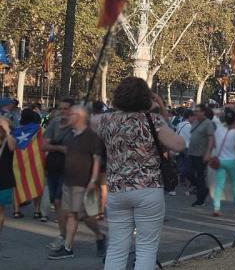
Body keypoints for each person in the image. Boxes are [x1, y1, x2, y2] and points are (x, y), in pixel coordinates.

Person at [98, 77, 185, 270]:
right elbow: (179, 144)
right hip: (148, 187)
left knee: (117, 247)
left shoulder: (105, 121)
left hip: (116, 189)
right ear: (146, 98)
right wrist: (160, 108)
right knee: (146, 247)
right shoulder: (152, 121)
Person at [48, 106, 106, 260]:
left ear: (80, 116)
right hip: (68, 181)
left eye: (72, 114)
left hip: (83, 182)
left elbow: (97, 160)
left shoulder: (91, 137)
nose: (69, 116)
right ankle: (73, 245)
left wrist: (93, 180)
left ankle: (92, 239)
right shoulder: (70, 135)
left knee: (79, 215)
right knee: (74, 214)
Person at [42, 98, 74, 248]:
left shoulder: (77, 124)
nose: (63, 111)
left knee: (60, 202)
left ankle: (64, 237)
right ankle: (64, 235)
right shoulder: (55, 123)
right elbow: (44, 145)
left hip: (69, 169)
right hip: (53, 166)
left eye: (66, 108)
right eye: (61, 108)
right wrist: (60, 148)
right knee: (56, 202)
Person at [210, 107, 235, 217]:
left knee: (219, 185)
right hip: (232, 161)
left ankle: (216, 208)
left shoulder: (218, 129)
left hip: (220, 160)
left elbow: (215, 115)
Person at [188, 104, 215, 207]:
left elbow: (211, 139)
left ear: (203, 112)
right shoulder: (195, 121)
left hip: (201, 154)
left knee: (199, 176)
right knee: (188, 173)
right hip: (192, 152)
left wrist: (208, 152)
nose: (196, 113)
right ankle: (203, 190)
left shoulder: (208, 123)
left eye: (198, 111)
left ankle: (200, 199)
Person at [0, 116, 17, 248]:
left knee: (0, 210)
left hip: (4, 179)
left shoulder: (9, 139)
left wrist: (7, 130)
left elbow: (12, 148)